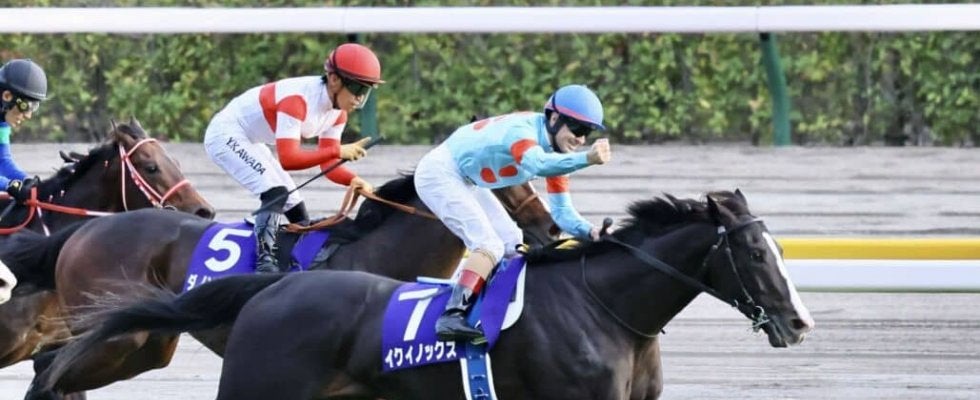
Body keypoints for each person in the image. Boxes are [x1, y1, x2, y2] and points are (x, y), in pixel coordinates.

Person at [415, 84, 612, 342]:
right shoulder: (522, 130)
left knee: (512, 241)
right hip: (440, 173)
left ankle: (490, 308)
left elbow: (562, 213)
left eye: (587, 132)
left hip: (468, 180)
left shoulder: (557, 155)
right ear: (554, 119)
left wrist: (591, 231)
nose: (581, 140)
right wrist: (587, 159)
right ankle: (451, 315)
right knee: (489, 244)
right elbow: (537, 164)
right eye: (577, 129)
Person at [204, 43, 383, 273]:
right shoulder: (297, 101)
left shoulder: (338, 114)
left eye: (365, 91)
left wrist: (353, 180)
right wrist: (338, 151)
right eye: (357, 87)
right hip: (225, 134)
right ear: (334, 80)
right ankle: (264, 264)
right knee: (275, 192)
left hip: (251, 139)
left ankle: (298, 258)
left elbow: (328, 165)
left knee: (295, 204)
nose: (359, 98)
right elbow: (289, 160)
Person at [0, 59, 47, 205]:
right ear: (7, 96)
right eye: (26, 106)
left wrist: (25, 179)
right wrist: (8, 185)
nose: (28, 115)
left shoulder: (2, 123)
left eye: (34, 107)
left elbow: (3, 161)